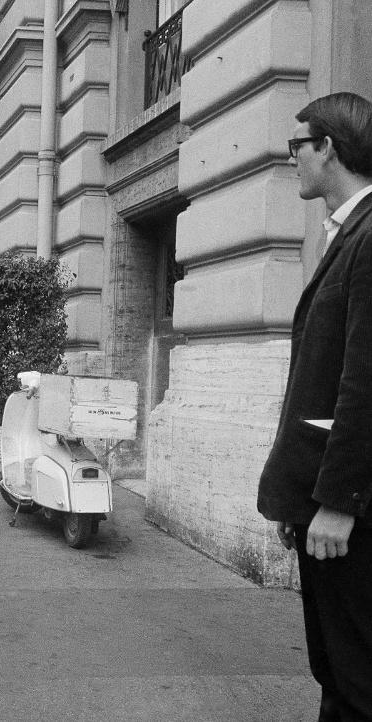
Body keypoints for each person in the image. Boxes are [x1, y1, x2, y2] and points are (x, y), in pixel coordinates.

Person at [259, 92, 372, 721]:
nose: (292, 159)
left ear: (328, 147)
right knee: (335, 668)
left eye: (297, 146)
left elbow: (364, 385)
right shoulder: (349, 233)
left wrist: (336, 503)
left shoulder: (370, 235)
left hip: (351, 515)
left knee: (355, 678)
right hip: (329, 502)